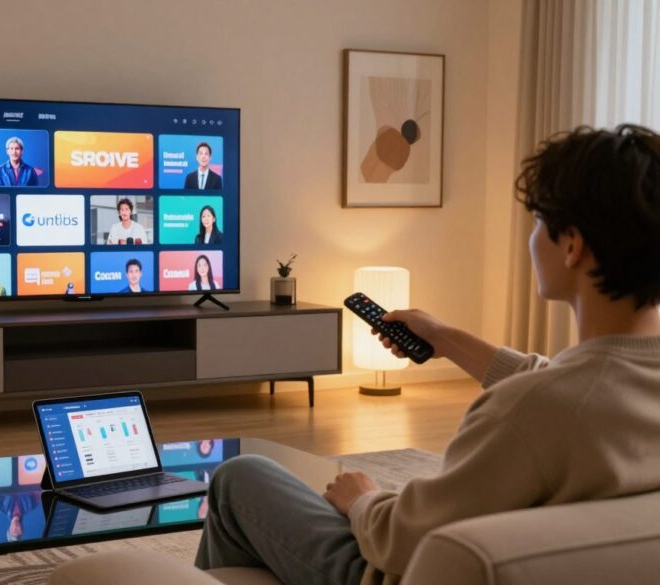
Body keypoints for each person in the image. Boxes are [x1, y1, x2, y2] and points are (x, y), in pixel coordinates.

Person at [195, 125, 660, 585]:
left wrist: (363, 499)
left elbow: (399, 539)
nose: (533, 236)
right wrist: (446, 338)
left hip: (389, 573)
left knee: (240, 477)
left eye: (539, 222)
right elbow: (566, 384)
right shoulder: (595, 392)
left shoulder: (527, 411)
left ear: (573, 246)